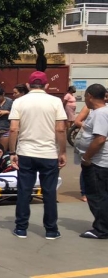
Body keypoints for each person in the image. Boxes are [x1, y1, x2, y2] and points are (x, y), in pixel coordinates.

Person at [8, 71, 67, 240]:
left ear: (28, 85)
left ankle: (21, 228)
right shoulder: (55, 102)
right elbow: (61, 129)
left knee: (24, 191)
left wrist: (12, 152)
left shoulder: (19, 102)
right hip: (48, 153)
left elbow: (13, 129)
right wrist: (62, 152)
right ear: (46, 85)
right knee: (49, 193)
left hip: (25, 152)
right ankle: (51, 230)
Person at [74, 83, 108, 239]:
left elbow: (100, 139)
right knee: (102, 195)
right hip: (99, 162)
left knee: (97, 196)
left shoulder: (100, 113)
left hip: (97, 163)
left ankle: (101, 229)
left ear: (89, 96)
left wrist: (87, 158)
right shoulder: (100, 112)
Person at [75, 105, 91, 202]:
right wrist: (91, 128)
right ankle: (84, 192)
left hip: (103, 141)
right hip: (87, 139)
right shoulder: (89, 107)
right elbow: (77, 121)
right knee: (87, 165)